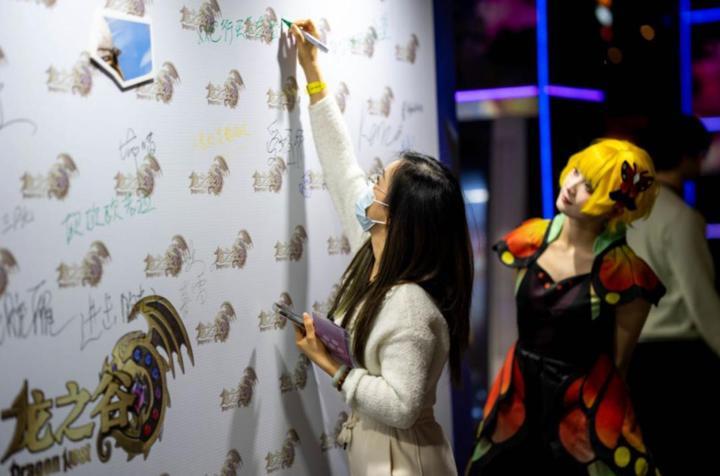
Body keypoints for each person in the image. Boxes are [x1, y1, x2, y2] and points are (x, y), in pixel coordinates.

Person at [289, 19, 473, 475]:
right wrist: (313, 75)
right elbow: (341, 167)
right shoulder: (374, 251)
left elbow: (403, 406)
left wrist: (333, 367)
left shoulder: (410, 304)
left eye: (378, 184)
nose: (367, 186)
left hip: (405, 461)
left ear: (393, 216)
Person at [466, 139, 666, 475]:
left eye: (590, 186)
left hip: (582, 408)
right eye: (576, 172)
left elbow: (619, 364)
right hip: (519, 393)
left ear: (617, 207)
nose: (571, 185)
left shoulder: (625, 274)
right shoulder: (529, 240)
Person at [626, 114, 720, 476]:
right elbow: (700, 298)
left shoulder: (629, 212)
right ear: (686, 156)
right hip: (679, 360)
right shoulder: (681, 217)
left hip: (634, 354)